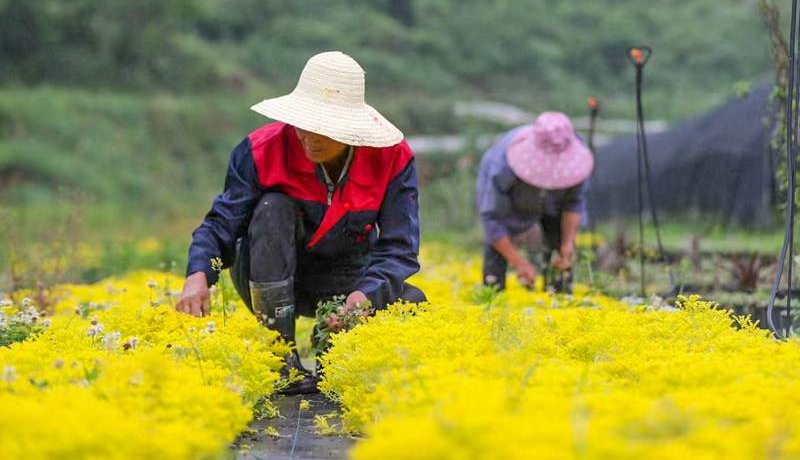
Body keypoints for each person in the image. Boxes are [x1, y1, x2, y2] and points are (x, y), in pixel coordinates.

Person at [175, 51, 426, 394]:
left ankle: (333, 351)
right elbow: (222, 222)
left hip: (346, 278)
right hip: (269, 275)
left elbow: (400, 247)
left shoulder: (392, 158)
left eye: (324, 128)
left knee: (413, 303)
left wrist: (364, 296)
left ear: (352, 129)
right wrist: (197, 274)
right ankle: (280, 355)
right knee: (272, 206)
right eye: (304, 123)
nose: (309, 136)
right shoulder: (260, 150)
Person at [476, 111, 594, 293]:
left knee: (560, 249)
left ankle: (559, 299)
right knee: (496, 253)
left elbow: (573, 203)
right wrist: (519, 263)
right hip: (516, 201)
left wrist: (567, 245)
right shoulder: (501, 166)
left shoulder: (575, 154)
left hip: (554, 205)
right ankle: (492, 302)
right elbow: (493, 221)